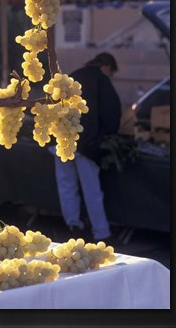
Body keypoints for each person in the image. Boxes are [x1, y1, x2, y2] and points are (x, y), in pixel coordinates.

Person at [51, 52, 121, 241]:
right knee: (92, 190)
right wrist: (107, 133)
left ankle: (73, 225)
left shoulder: (73, 75)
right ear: (106, 66)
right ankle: (102, 232)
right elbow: (111, 111)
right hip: (87, 142)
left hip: (61, 139)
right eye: (112, 72)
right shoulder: (101, 80)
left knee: (66, 185)